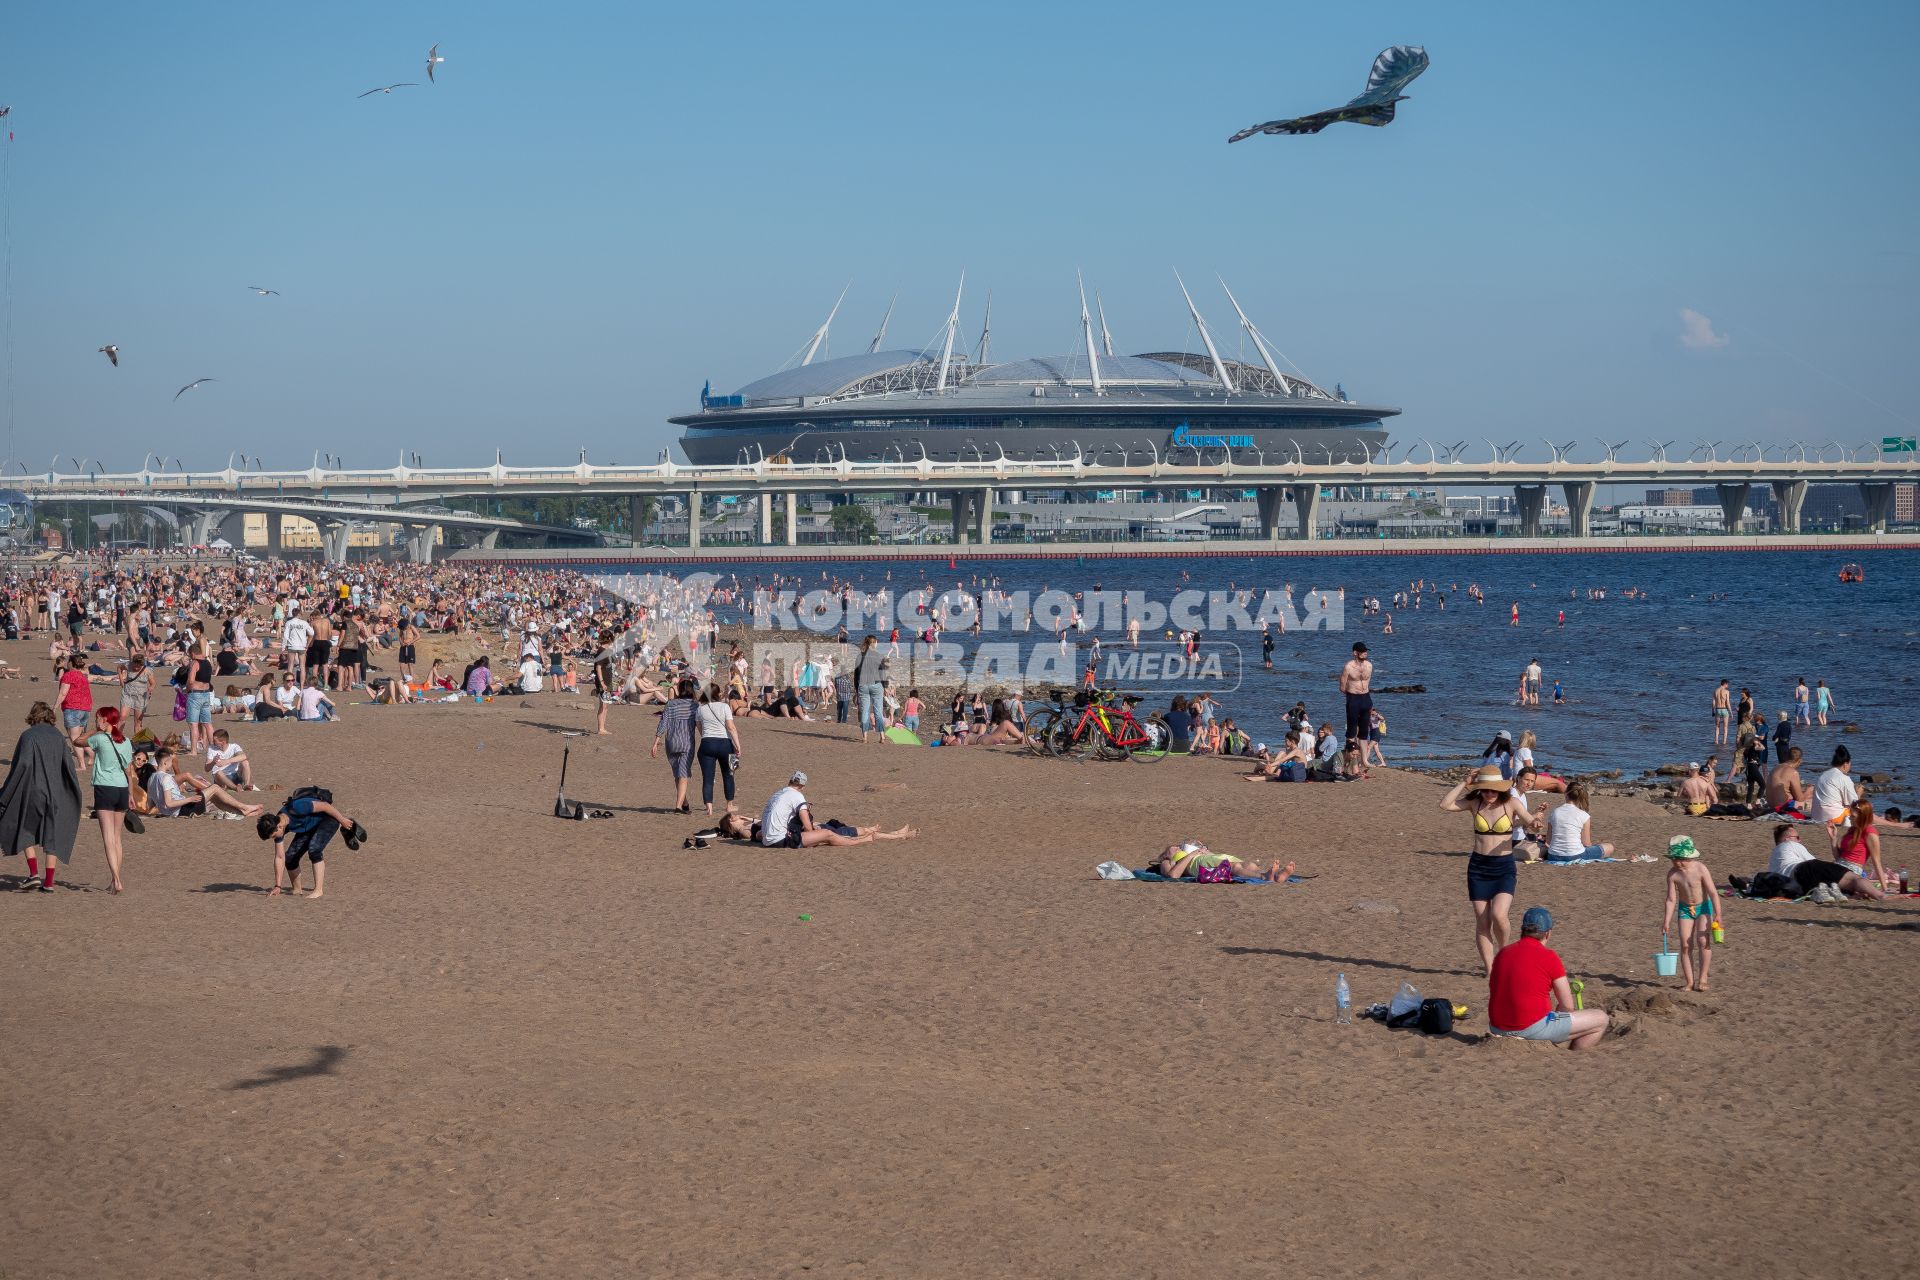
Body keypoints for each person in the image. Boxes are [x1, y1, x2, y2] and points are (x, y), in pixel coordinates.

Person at [1440, 765, 1530, 974]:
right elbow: (1445, 804)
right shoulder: (1474, 803)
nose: (1490, 794)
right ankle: (1491, 970)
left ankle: (1504, 953)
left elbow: (1529, 821)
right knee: (1483, 921)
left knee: (1499, 915)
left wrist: (1536, 822)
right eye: (1485, 789)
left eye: (1493, 789)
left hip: (1503, 866)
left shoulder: (1512, 803)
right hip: (1478, 867)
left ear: (1501, 788)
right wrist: (1465, 782)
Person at [1487, 907, 1610, 1050]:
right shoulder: (1549, 957)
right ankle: (1574, 1055)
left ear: (1523, 931)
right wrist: (1560, 1018)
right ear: (1548, 933)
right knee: (1601, 1019)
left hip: (1496, 1027)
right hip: (1530, 1028)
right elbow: (1568, 1005)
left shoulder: (1503, 953)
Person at [0, 702, 85, 892]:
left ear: (33, 716)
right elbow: (68, 766)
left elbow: (22, 765)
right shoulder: (58, 736)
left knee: (24, 828)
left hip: (33, 791)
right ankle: (49, 882)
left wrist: (6, 791)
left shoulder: (28, 736)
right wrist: (73, 791)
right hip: (57, 792)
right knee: (52, 835)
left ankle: (34, 874)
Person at [748, 771, 916, 847]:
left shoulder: (778, 794)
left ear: (790, 782)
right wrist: (812, 828)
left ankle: (890, 835)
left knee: (827, 830)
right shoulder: (796, 796)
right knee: (828, 834)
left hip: (771, 838)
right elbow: (807, 826)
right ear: (803, 787)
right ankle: (869, 838)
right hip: (781, 840)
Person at [257, 786, 368, 899]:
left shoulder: (297, 807)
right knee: (290, 857)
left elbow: (325, 806)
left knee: (314, 849)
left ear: (278, 827)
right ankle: (297, 890)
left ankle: (318, 890)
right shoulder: (278, 827)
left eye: (274, 836)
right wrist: (278, 886)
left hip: (328, 820)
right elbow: (280, 857)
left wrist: (342, 820)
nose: (275, 838)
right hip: (308, 827)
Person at [80, 706, 135, 893]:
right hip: (121, 789)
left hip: (105, 788)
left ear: (105, 720)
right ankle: (114, 880)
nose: (96, 721)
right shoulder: (126, 741)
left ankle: (117, 880)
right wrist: (130, 794)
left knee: (108, 838)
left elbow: (77, 741)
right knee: (117, 838)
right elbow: (129, 771)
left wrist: (96, 730)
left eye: (98, 719)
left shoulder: (99, 738)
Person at [1660, 836, 1721, 992]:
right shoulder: (1673, 874)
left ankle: (1703, 979)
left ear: (1689, 856)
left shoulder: (1700, 868)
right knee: (1685, 945)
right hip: (1685, 909)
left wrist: (1718, 914)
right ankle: (1689, 982)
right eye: (1674, 859)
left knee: (1703, 941)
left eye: (1681, 859)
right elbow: (1671, 899)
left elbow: (1713, 893)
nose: (1677, 862)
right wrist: (1666, 921)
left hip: (1703, 907)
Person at [146, 748, 265, 820]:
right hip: (182, 810)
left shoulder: (151, 778)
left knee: (213, 796)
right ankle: (245, 807)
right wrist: (189, 799)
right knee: (215, 788)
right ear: (166, 762)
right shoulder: (166, 778)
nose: (172, 764)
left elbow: (150, 804)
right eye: (171, 762)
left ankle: (240, 812)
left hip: (176, 811)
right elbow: (169, 803)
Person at [651, 677, 698, 814]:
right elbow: (699, 724)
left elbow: (663, 723)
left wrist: (655, 742)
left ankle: (684, 803)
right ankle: (678, 807)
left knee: (678, 773)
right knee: (683, 774)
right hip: (686, 743)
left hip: (671, 742)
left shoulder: (670, 704)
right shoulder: (694, 706)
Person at [695, 682, 741, 817]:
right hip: (725, 744)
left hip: (707, 743)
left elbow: (700, 729)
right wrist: (738, 745)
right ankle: (729, 805)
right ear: (718, 693)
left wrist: (707, 737)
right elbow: (731, 728)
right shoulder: (725, 706)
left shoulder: (700, 709)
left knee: (708, 778)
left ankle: (709, 807)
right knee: (729, 774)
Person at [1151, 840, 1293, 883]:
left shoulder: (1187, 851)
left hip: (1210, 858)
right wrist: (1192, 854)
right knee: (1235, 868)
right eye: (1173, 848)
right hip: (1198, 864)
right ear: (1165, 854)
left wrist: (1204, 850)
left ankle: (1276, 875)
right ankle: (1264, 877)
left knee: (1249, 864)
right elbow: (1173, 875)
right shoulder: (1166, 861)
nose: (1176, 848)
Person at [1545, 781, 1614, 862]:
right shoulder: (1584, 815)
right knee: (1609, 847)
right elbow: (1586, 843)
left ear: (1566, 793)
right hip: (1575, 855)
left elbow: (1548, 841)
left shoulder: (1554, 812)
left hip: (1553, 856)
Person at [1832, 798, 1889, 888]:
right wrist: (1833, 838)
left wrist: (1885, 888)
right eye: (1850, 815)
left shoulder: (1870, 832)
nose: (1850, 818)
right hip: (1839, 866)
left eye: (1853, 816)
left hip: (1851, 870)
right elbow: (1838, 857)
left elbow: (1876, 861)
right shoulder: (1853, 830)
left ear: (1862, 816)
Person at [1811, 746, 1857, 836]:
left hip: (1816, 816)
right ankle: (1891, 824)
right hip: (1833, 818)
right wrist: (1859, 792)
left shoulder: (1823, 775)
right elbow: (1855, 804)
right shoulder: (1844, 778)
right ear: (1845, 764)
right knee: (1865, 811)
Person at [853, 635, 888, 743]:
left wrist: (856, 688)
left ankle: (865, 737)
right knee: (878, 711)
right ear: (875, 643)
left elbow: (856, 674)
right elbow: (883, 673)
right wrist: (885, 686)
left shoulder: (860, 656)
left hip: (863, 685)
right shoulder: (879, 656)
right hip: (876, 684)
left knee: (865, 711)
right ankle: (882, 736)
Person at [1340, 641, 1373, 744]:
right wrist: (1352, 693)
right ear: (1355, 653)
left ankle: (1364, 760)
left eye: (1366, 651)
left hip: (1366, 698)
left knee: (1364, 732)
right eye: (1362, 651)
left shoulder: (1369, 665)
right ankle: (1349, 757)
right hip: (1353, 698)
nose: (1365, 653)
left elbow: (1368, 682)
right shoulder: (1348, 667)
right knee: (1351, 730)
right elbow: (1342, 687)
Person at [1766, 747, 1810, 817]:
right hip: (1784, 808)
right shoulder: (1793, 772)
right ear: (1800, 760)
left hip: (1771, 806)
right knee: (1811, 797)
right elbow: (1800, 799)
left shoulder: (1775, 768)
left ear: (1787, 757)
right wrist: (1808, 791)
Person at [1711, 679, 1732, 746]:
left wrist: (1712, 711)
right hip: (1724, 709)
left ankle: (1716, 741)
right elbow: (1728, 703)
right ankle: (1724, 742)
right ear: (1725, 684)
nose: (1728, 686)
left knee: (1717, 726)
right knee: (1725, 727)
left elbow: (1713, 702)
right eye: (1727, 684)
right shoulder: (1726, 691)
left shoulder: (1715, 691)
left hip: (1717, 709)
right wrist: (1731, 712)